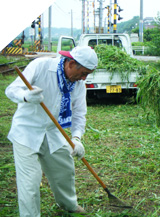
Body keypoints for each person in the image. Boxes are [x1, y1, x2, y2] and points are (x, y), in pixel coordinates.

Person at [5, 46, 98, 216]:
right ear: (70, 63)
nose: (84, 78)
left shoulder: (78, 84)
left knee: (65, 170)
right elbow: (11, 90)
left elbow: (79, 113)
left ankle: (69, 204)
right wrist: (26, 96)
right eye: (84, 72)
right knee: (30, 183)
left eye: (88, 74)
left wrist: (76, 138)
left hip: (53, 131)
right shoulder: (41, 66)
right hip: (26, 131)